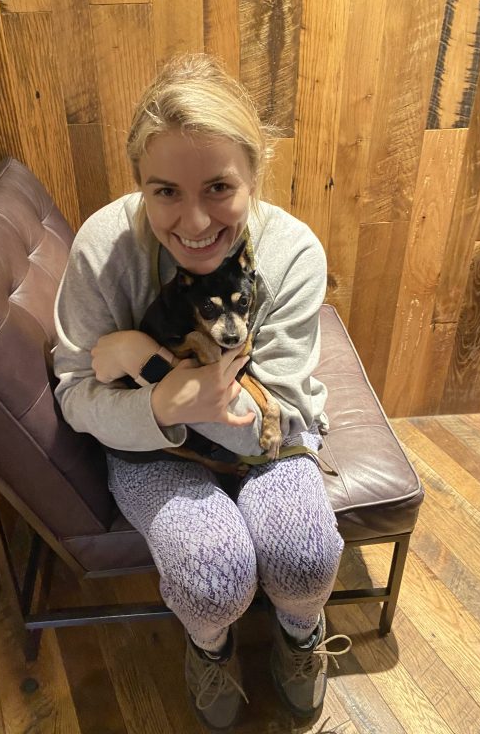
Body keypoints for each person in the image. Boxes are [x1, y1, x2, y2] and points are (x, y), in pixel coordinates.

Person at [53, 53, 351, 730]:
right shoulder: (103, 247)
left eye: (218, 187)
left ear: (256, 173)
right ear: (139, 185)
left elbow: (268, 423)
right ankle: (210, 646)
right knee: (209, 575)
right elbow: (76, 393)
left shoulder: (293, 252)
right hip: (153, 448)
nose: (192, 222)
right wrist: (165, 409)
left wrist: (149, 366)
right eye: (165, 192)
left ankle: (301, 633)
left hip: (261, 437)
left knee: (303, 558)